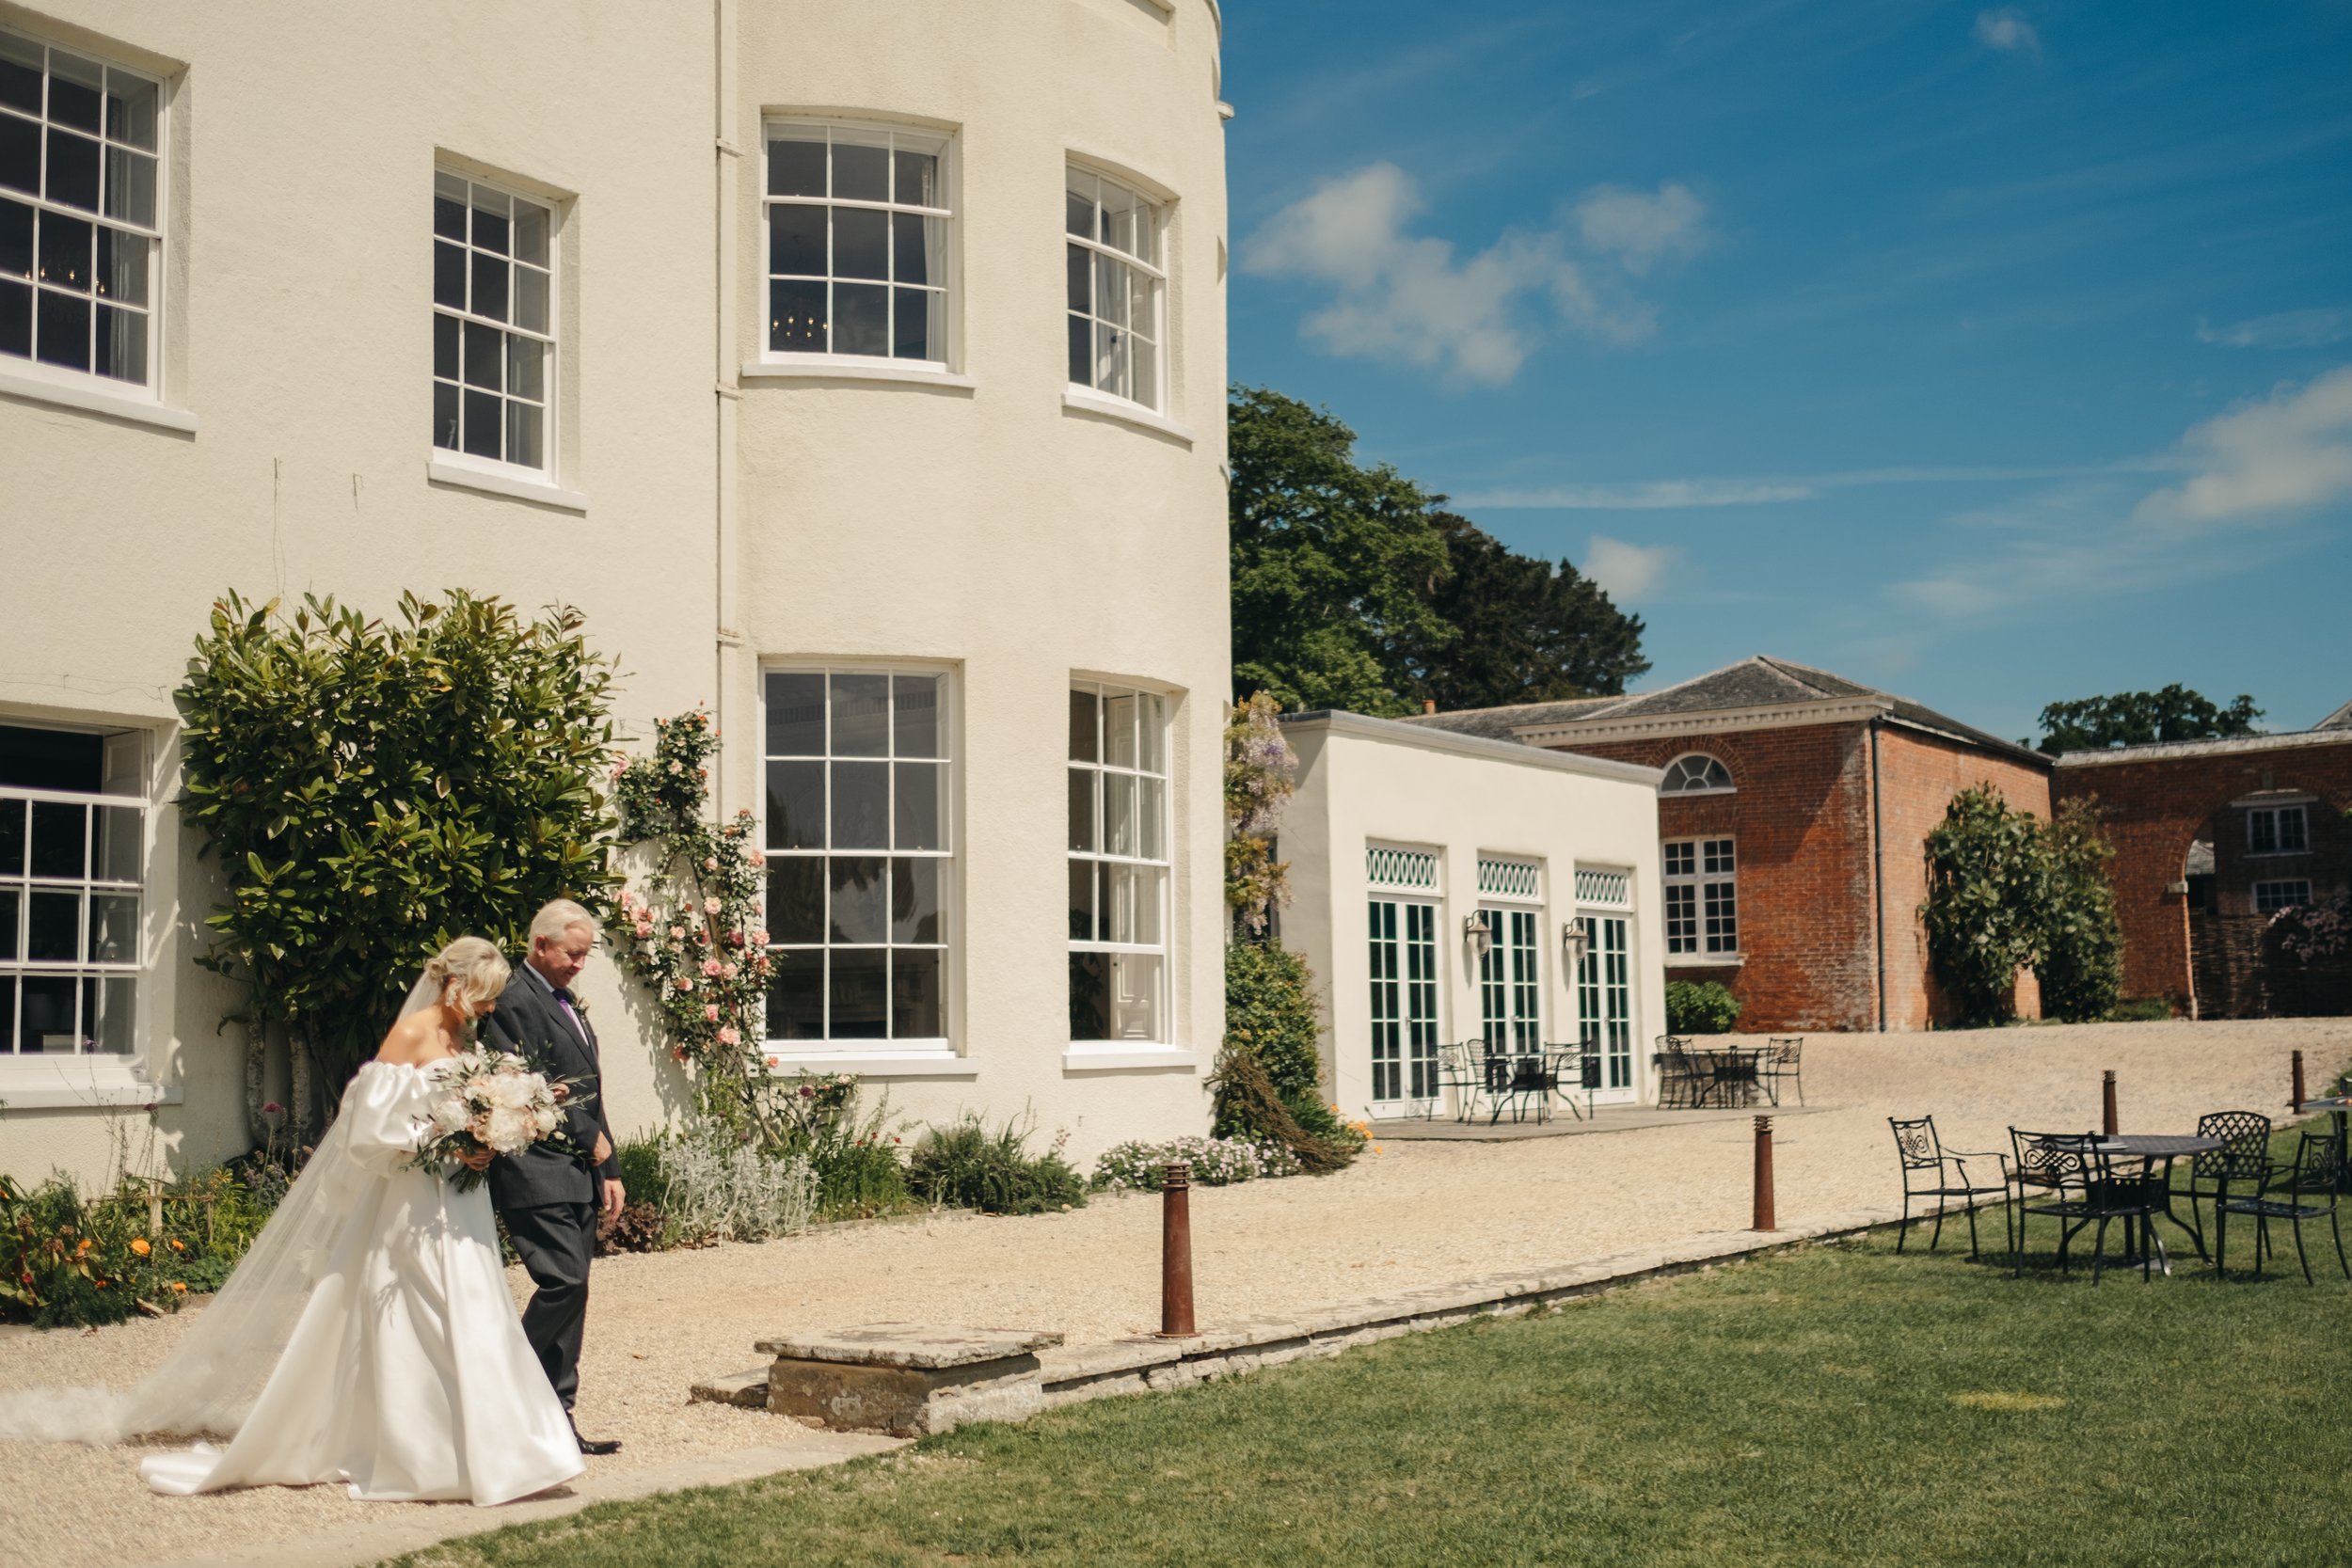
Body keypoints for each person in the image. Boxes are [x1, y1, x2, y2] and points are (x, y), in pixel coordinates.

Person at [0, 937, 585, 1506]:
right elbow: (369, 1127)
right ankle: (432, 1453)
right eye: (481, 996)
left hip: (462, 1201)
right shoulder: (411, 1032)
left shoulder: (464, 1034)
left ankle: (499, 1447)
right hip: (415, 1198)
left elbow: (470, 1104)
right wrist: (443, 1139)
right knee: (427, 1311)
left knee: (479, 1307)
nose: (488, 1008)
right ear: (454, 982)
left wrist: (489, 1134)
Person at [480, 898, 626, 1456]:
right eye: (572, 954)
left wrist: (608, 1168)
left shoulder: (566, 1002)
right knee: (564, 1282)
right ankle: (504, 1390)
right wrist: (585, 1135)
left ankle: (555, 1415)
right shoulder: (511, 1000)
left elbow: (589, 1087)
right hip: (533, 1171)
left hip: (579, 1173)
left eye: (585, 955)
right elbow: (518, 1087)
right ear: (539, 945)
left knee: (576, 1293)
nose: (579, 964)